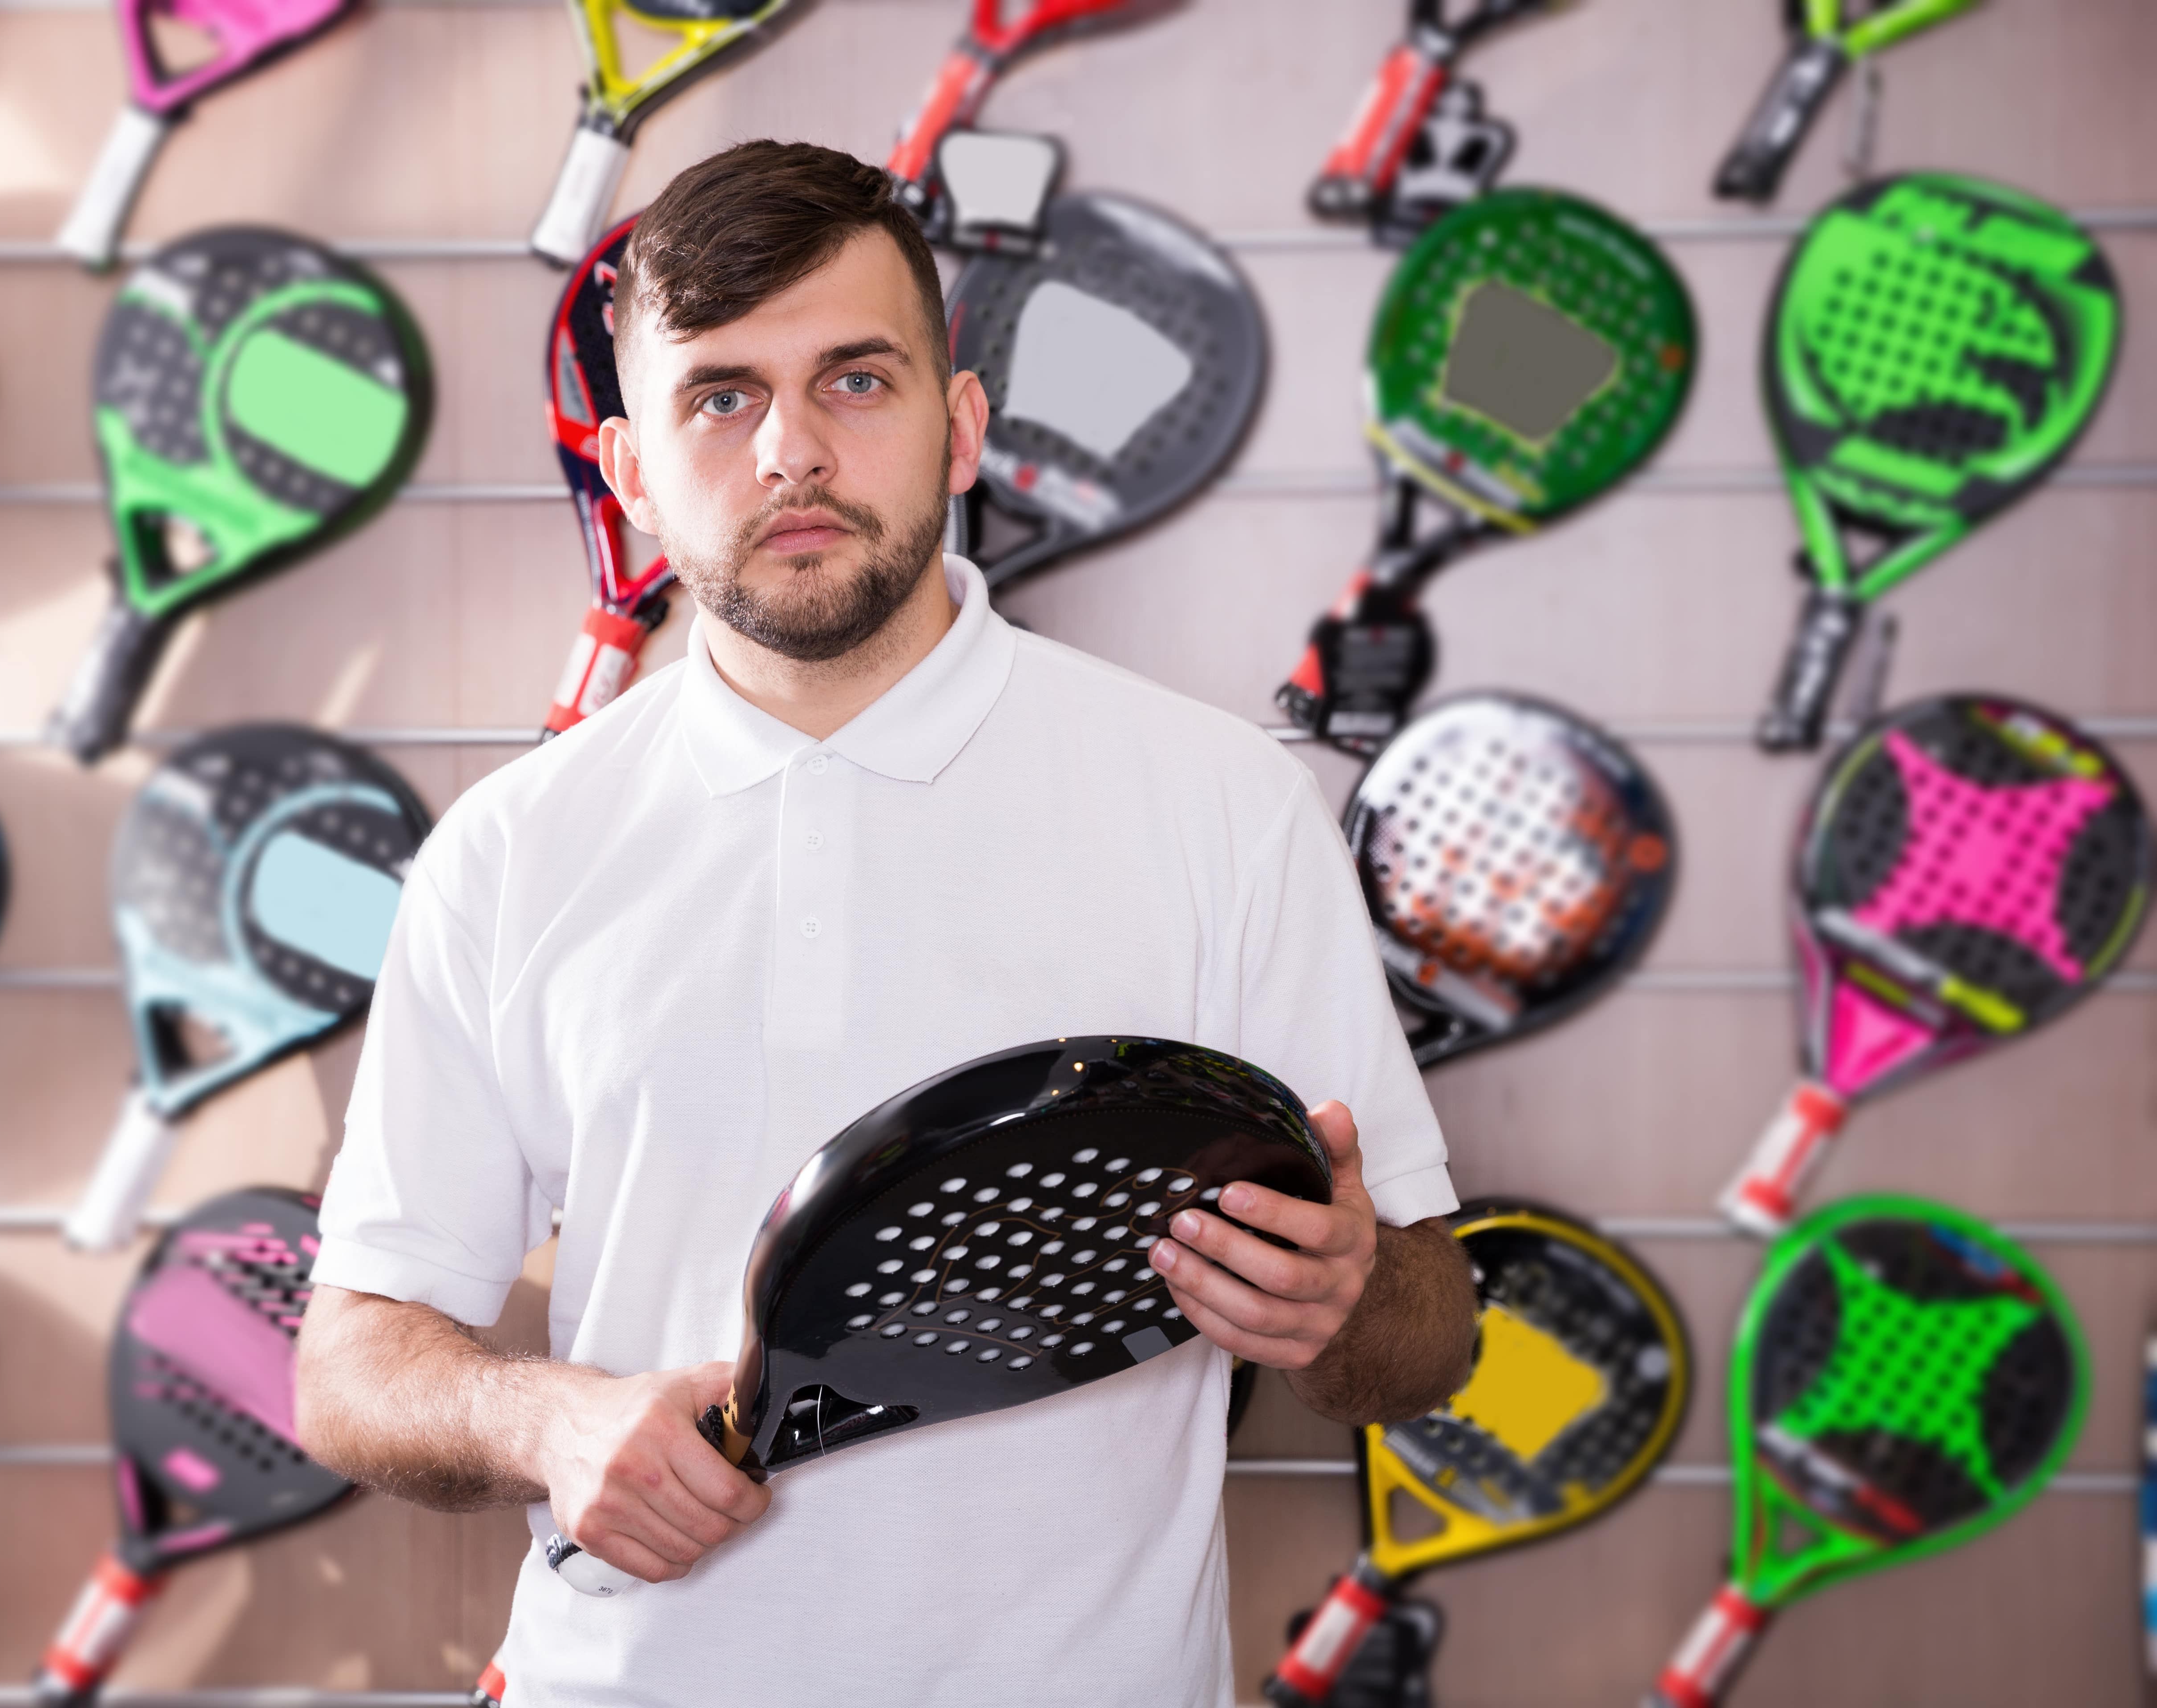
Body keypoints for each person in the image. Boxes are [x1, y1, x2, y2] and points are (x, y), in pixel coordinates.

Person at [294, 139, 1476, 1707]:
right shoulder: (510, 854)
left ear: (961, 427)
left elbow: (1428, 1337)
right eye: (721, 398)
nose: (792, 451)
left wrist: (1341, 1299)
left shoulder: (1223, 806)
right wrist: (550, 1421)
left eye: (856, 381)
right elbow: (353, 1362)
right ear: (631, 475)